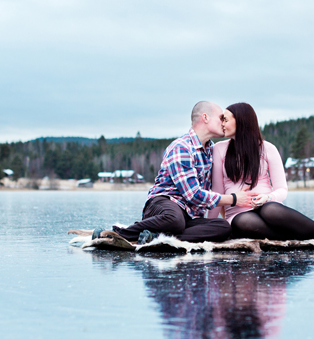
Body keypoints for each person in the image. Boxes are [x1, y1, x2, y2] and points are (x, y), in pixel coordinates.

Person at [95, 101, 256, 245]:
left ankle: (157, 237)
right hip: (164, 204)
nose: (223, 123)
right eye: (220, 118)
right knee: (174, 220)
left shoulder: (211, 150)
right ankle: (116, 234)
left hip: (189, 216)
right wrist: (234, 199)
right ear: (205, 118)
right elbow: (193, 194)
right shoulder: (182, 147)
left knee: (223, 227)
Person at [208, 102, 314, 240]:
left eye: (225, 120)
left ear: (241, 122)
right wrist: (210, 223)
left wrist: (267, 197)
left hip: (266, 204)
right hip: (237, 213)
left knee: (271, 210)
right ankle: (303, 235)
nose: (222, 124)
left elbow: (282, 190)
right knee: (245, 222)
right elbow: (217, 192)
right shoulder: (219, 149)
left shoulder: (268, 148)